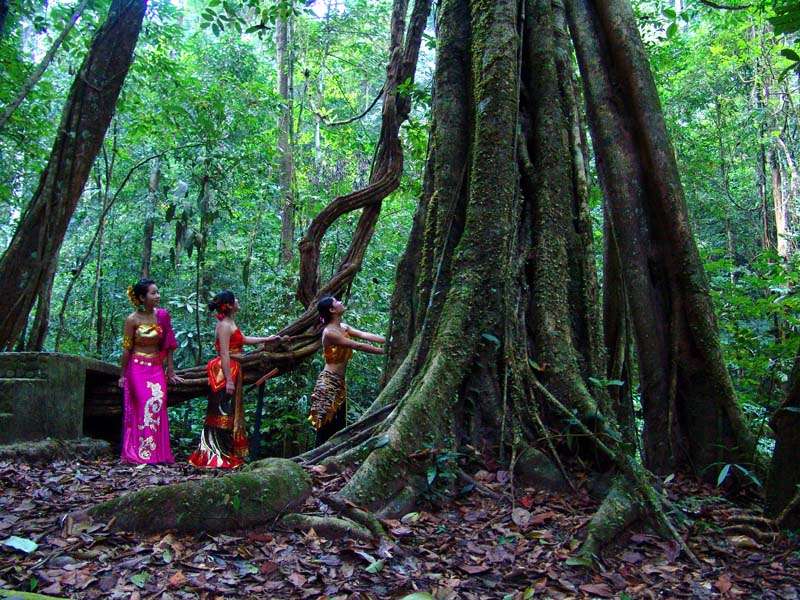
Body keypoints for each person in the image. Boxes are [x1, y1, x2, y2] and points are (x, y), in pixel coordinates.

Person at [189, 290, 283, 468]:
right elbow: (224, 353)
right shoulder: (224, 325)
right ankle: (216, 452)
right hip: (224, 371)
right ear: (230, 305)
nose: (238, 300)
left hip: (232, 368)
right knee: (221, 411)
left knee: (228, 410)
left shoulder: (230, 322)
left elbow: (243, 339)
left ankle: (225, 450)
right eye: (235, 299)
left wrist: (267, 339)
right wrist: (229, 380)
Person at [118, 278, 181, 464]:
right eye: (153, 293)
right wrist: (122, 375)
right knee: (145, 402)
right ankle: (142, 452)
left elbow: (169, 344)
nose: (158, 296)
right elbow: (126, 348)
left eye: (157, 292)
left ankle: (158, 453)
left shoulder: (162, 316)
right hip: (137, 367)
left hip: (156, 367)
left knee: (159, 402)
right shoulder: (132, 320)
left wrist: (170, 370)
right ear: (141, 297)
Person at [308, 295, 385, 446]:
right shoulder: (330, 332)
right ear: (332, 310)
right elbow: (358, 345)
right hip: (328, 383)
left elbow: (363, 335)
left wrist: (387, 340)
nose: (341, 302)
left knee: (339, 421)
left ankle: (333, 454)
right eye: (337, 302)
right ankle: (319, 457)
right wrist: (385, 351)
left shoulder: (343, 327)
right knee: (326, 422)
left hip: (339, 382)